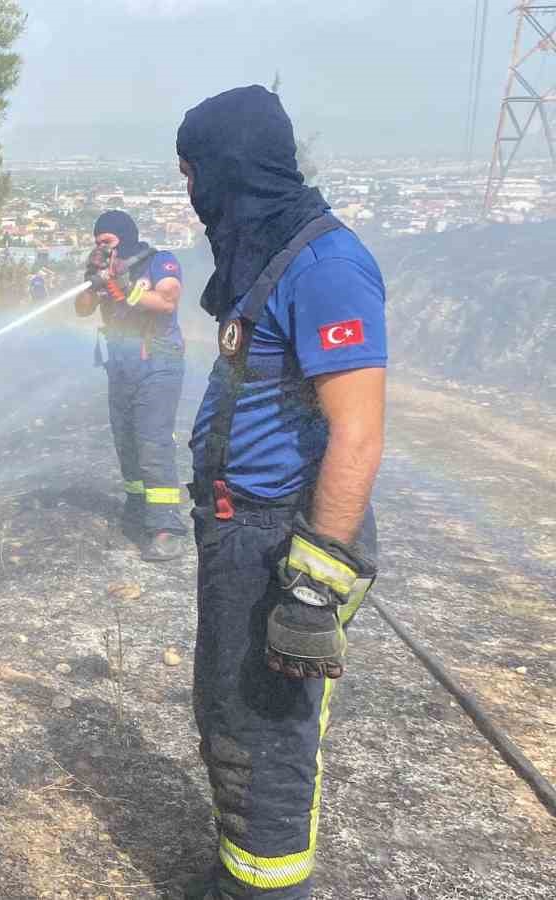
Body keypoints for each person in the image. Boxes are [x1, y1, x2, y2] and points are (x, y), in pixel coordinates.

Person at [178, 85, 386, 900]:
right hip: (241, 536)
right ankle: (244, 882)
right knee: (231, 718)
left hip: (284, 541)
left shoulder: (327, 266)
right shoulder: (268, 258)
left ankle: (267, 891)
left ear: (230, 168)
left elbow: (359, 433)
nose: (189, 192)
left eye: (194, 173)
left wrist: (311, 585)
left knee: (268, 735)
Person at [74, 210, 187, 561]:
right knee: (126, 440)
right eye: (97, 243)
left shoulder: (158, 262)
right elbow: (81, 309)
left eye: (106, 241)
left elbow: (168, 301)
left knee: (152, 441)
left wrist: (125, 288)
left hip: (158, 362)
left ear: (124, 237)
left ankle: (167, 527)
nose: (102, 247)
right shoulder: (102, 271)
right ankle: (138, 509)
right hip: (120, 366)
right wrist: (94, 279)